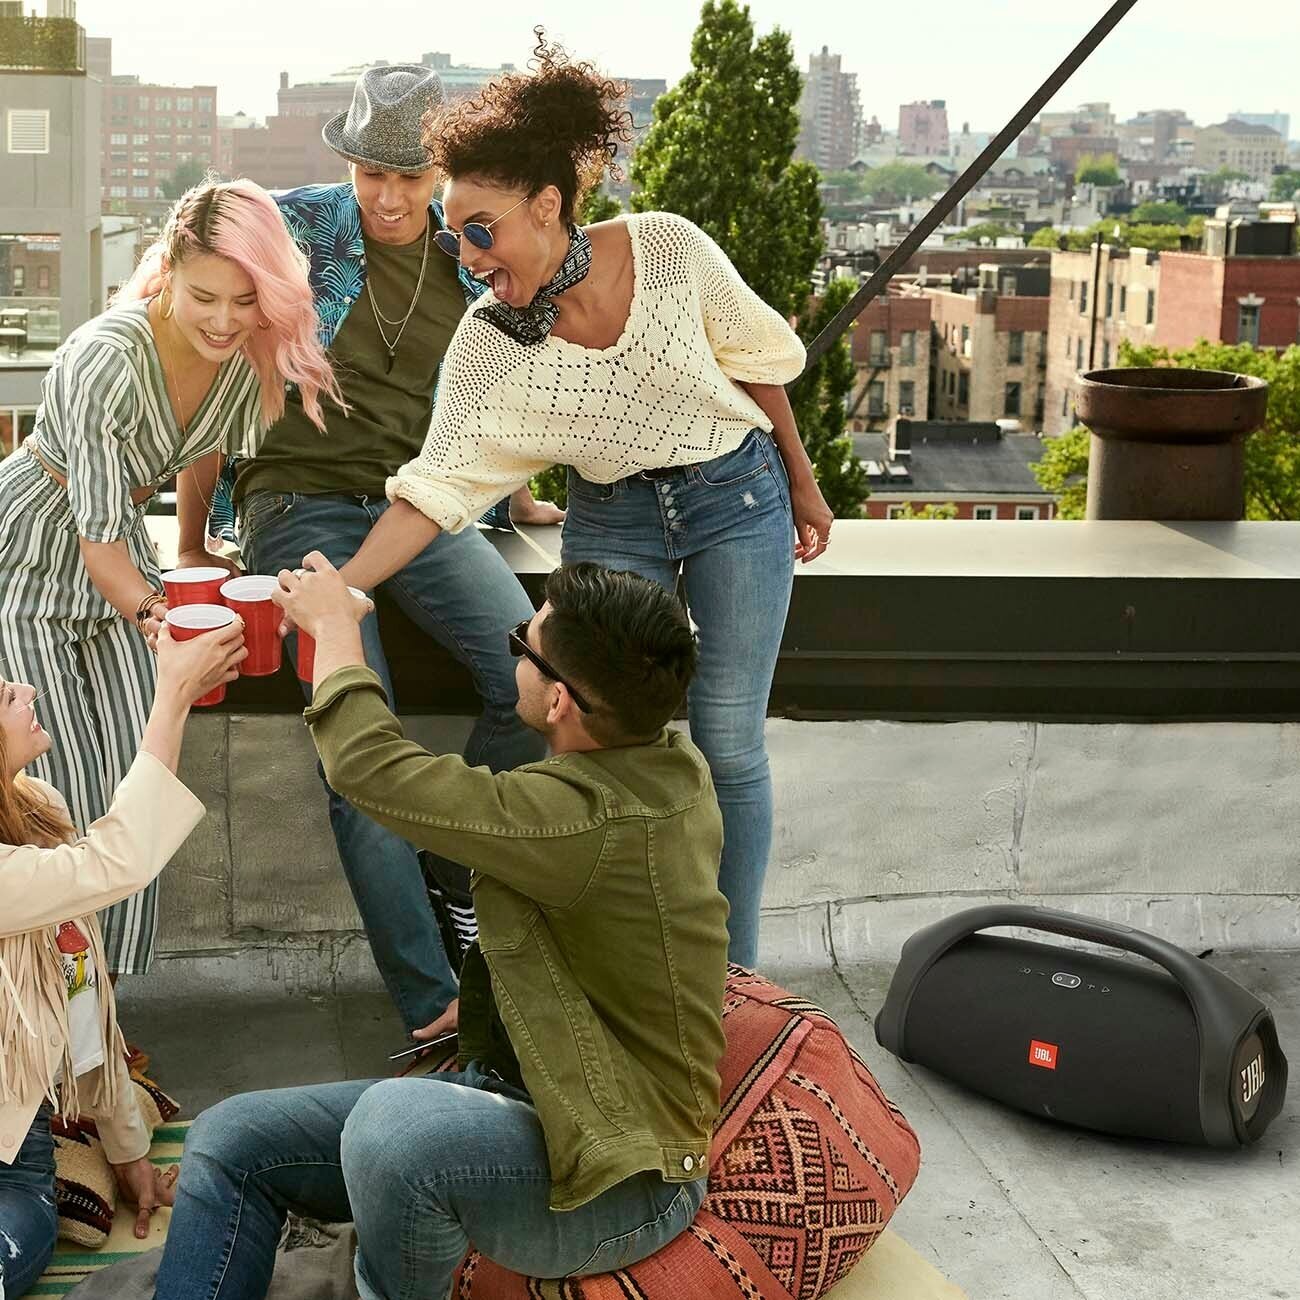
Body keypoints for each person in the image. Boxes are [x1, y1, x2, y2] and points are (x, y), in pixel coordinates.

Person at [335, 37, 835, 969]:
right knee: (591, 737)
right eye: (454, 237)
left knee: (729, 743)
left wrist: (804, 484)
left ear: (548, 204)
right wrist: (343, 590)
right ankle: (611, 958)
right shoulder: (491, 340)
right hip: (611, 516)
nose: (467, 256)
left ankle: (734, 979)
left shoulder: (669, 249)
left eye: (481, 230)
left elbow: (758, 364)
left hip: (738, 498)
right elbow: (438, 484)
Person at [153, 558, 728, 1300]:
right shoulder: (668, 763)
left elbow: (370, 769)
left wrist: (334, 628)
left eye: (521, 644)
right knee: (229, 1138)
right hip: (526, 1098)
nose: (511, 648)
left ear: (559, 699)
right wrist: (505, 1001)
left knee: (395, 1126)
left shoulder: (582, 818)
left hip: (622, 1175)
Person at [230, 64, 556, 1039]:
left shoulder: (472, 250)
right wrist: (207, 522)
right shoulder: (293, 228)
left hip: (418, 504)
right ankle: (432, 1008)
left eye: (410, 176)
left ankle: (449, 861)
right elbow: (206, 346)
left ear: (441, 174)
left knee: (533, 674)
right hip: (298, 502)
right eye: (371, 170)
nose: (388, 195)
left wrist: (519, 495)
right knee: (357, 735)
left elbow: (505, 380)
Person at [0, 177, 339, 979]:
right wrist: (163, 616)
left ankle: (105, 1011)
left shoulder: (246, 355)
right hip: (29, 558)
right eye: (204, 297)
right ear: (169, 271)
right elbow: (98, 548)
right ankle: (52, 1018)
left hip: (124, 558)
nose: (224, 319)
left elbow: (203, 450)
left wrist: (192, 547)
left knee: (141, 782)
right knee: (57, 797)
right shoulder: (105, 361)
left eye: (245, 300)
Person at [0, 617, 246, 1300]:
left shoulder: (36, 809)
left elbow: (80, 997)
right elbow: (121, 859)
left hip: (12, 1161)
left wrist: (129, 1153)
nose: (28, 690)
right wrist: (172, 697)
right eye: (5, 697)